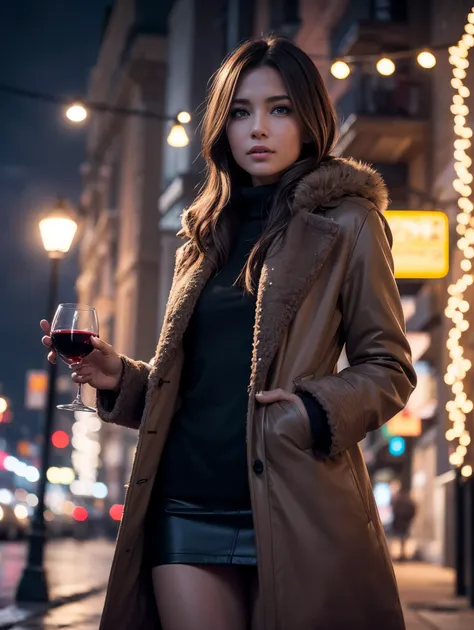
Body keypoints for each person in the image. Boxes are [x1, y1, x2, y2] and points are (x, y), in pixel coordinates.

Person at [41, 35, 417, 630]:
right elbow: (195, 385)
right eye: (240, 112)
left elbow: (389, 366)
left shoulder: (348, 222)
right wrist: (123, 379)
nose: (258, 128)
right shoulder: (202, 237)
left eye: (279, 108)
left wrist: (311, 412)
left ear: (309, 119)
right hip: (185, 502)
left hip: (296, 505)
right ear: (222, 127)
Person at [391, 487, 417, 562]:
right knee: (404, 538)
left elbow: (394, 509)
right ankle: (402, 555)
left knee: (399, 537)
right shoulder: (409, 500)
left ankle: (400, 555)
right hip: (406, 522)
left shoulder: (398, 500)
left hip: (399, 521)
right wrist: (410, 518)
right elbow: (413, 509)